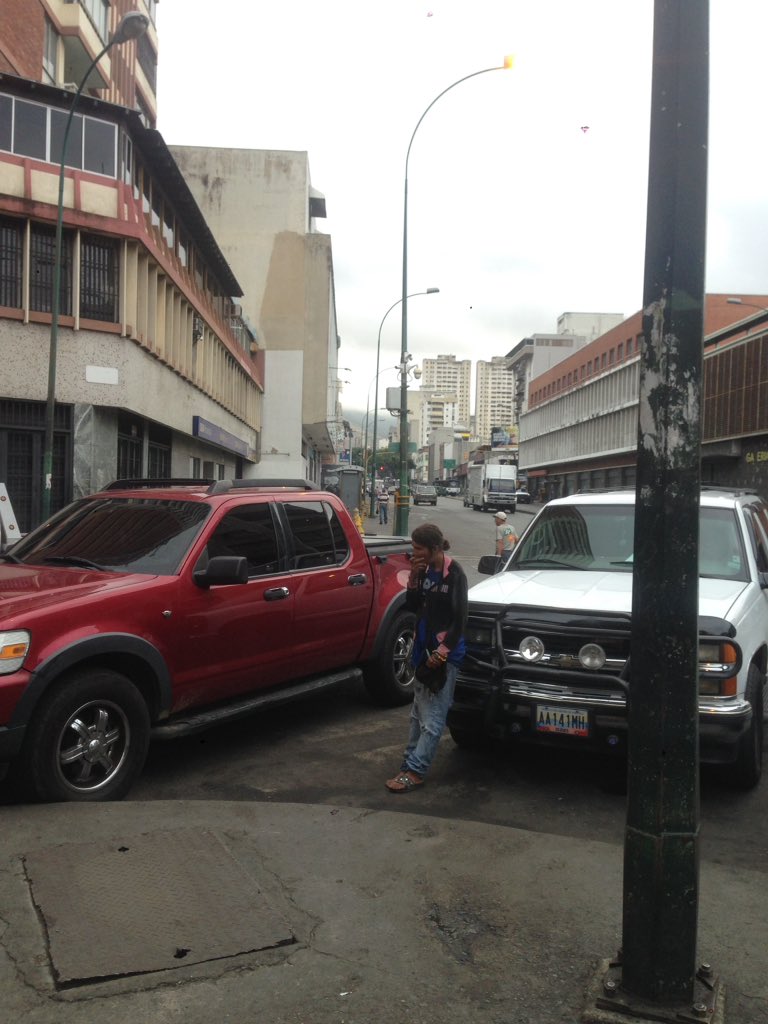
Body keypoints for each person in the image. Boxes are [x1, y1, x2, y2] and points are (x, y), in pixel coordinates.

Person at [386, 523, 468, 793]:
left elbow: (460, 620)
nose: (414, 553)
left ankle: (416, 771)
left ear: (434, 548)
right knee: (416, 714)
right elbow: (412, 605)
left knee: (432, 719)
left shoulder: (454, 574)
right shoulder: (423, 572)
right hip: (422, 650)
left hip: (444, 654)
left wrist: (442, 653)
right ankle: (408, 763)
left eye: (418, 549)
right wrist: (413, 579)